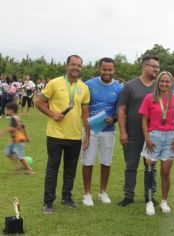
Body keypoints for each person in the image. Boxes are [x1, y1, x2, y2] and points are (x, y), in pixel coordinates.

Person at [35, 55, 90, 213]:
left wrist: (88, 134)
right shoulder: (54, 83)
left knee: (70, 169)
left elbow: (85, 113)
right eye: (73, 64)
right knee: (53, 168)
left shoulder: (84, 88)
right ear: (67, 66)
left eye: (79, 65)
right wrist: (52, 114)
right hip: (55, 135)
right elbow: (39, 102)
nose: (76, 68)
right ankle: (48, 202)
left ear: (81, 68)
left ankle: (67, 198)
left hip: (74, 136)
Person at [139, 71, 174, 215]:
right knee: (150, 170)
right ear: (157, 82)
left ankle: (164, 201)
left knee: (165, 172)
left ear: (171, 83)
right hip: (154, 136)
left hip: (170, 137)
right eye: (162, 81)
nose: (164, 84)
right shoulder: (149, 98)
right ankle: (150, 201)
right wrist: (147, 138)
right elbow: (144, 120)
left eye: (167, 81)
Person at [118, 56, 160, 207]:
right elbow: (121, 109)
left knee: (151, 166)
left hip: (153, 134)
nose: (156, 70)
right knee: (131, 166)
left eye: (158, 67)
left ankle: (150, 195)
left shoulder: (159, 86)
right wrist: (123, 131)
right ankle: (128, 195)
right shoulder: (129, 86)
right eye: (153, 66)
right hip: (132, 134)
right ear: (144, 66)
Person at [81, 58, 122, 206]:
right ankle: (87, 194)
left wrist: (114, 119)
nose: (107, 72)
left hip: (108, 130)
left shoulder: (119, 87)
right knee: (88, 161)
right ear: (100, 69)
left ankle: (102, 192)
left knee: (106, 161)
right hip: (90, 129)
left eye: (110, 70)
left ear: (114, 70)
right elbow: (82, 106)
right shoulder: (89, 84)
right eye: (104, 69)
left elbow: (120, 111)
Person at [0, 102, 33, 175]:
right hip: (14, 141)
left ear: (12, 110)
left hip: (18, 140)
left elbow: (12, 128)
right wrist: (27, 136)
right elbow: (23, 127)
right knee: (8, 153)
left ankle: (29, 169)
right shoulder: (16, 117)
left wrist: (2, 132)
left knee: (20, 156)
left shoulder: (14, 119)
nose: (5, 111)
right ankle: (20, 166)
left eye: (7, 109)